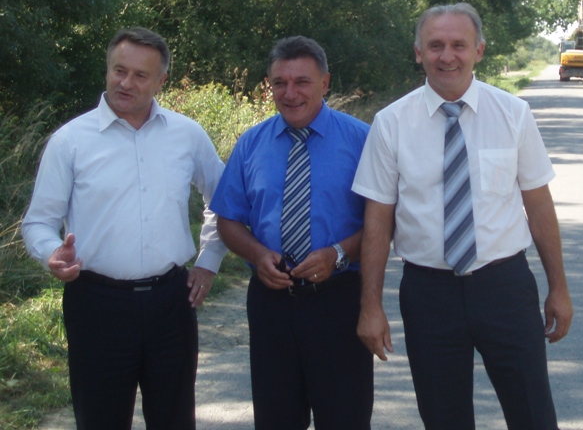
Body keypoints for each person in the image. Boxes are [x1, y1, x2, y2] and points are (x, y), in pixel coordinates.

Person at [353, 3, 573, 430]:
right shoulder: (391, 123)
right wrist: (370, 306)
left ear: (479, 51)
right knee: (444, 418)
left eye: (459, 45)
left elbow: (539, 206)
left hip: (505, 287)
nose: (447, 56)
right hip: (428, 294)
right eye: (435, 45)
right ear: (419, 52)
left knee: (533, 414)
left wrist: (559, 288)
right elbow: (377, 221)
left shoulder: (513, 114)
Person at [22, 27, 227, 430]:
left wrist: (209, 260)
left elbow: (222, 200)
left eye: (140, 75)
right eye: (119, 71)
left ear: (161, 81)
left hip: (171, 303)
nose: (126, 83)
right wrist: (51, 253)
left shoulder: (187, 135)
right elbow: (38, 221)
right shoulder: (70, 141)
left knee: (174, 420)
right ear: (107, 70)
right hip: (97, 305)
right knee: (100, 420)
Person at [210, 36, 373, 430]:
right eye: (279, 83)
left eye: (302, 82)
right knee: (276, 419)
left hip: (339, 300)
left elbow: (386, 220)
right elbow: (228, 219)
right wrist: (255, 254)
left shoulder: (363, 140)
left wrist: (339, 253)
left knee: (346, 419)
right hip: (271, 303)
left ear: (325, 83)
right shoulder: (251, 144)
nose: (290, 93)